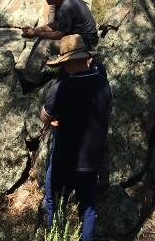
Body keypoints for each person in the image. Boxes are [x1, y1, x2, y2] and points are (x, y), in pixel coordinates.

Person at [40, 34, 111, 241]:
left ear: (67, 61)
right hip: (93, 159)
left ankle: (55, 236)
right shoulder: (103, 84)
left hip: (66, 160)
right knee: (88, 206)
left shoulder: (61, 88)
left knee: (54, 202)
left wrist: (52, 118)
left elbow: (45, 116)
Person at [17, 0, 98, 86]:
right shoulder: (62, 0)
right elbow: (55, 24)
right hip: (76, 37)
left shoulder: (66, 6)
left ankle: (27, 81)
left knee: (45, 45)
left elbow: (59, 34)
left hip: (85, 41)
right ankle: (28, 72)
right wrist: (35, 30)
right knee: (41, 38)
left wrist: (35, 34)